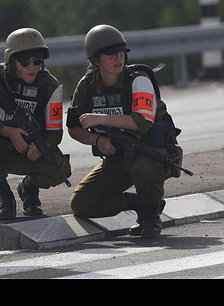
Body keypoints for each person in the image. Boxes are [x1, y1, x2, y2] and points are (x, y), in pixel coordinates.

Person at [66, 24, 182, 238]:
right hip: (119, 157)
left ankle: (151, 214)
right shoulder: (88, 86)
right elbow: (73, 127)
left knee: (145, 169)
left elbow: (142, 122)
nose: (118, 58)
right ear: (96, 60)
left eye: (121, 53)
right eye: (111, 55)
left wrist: (101, 118)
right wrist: (97, 140)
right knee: (82, 204)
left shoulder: (138, 80)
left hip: (153, 153)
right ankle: (138, 203)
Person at [0, 28, 71, 221]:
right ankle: (5, 195)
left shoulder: (48, 86)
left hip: (29, 151)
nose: (32, 67)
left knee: (59, 169)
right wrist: (7, 131)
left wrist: (41, 146)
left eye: (37, 61)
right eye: (25, 61)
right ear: (12, 61)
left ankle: (28, 188)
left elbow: (55, 132)